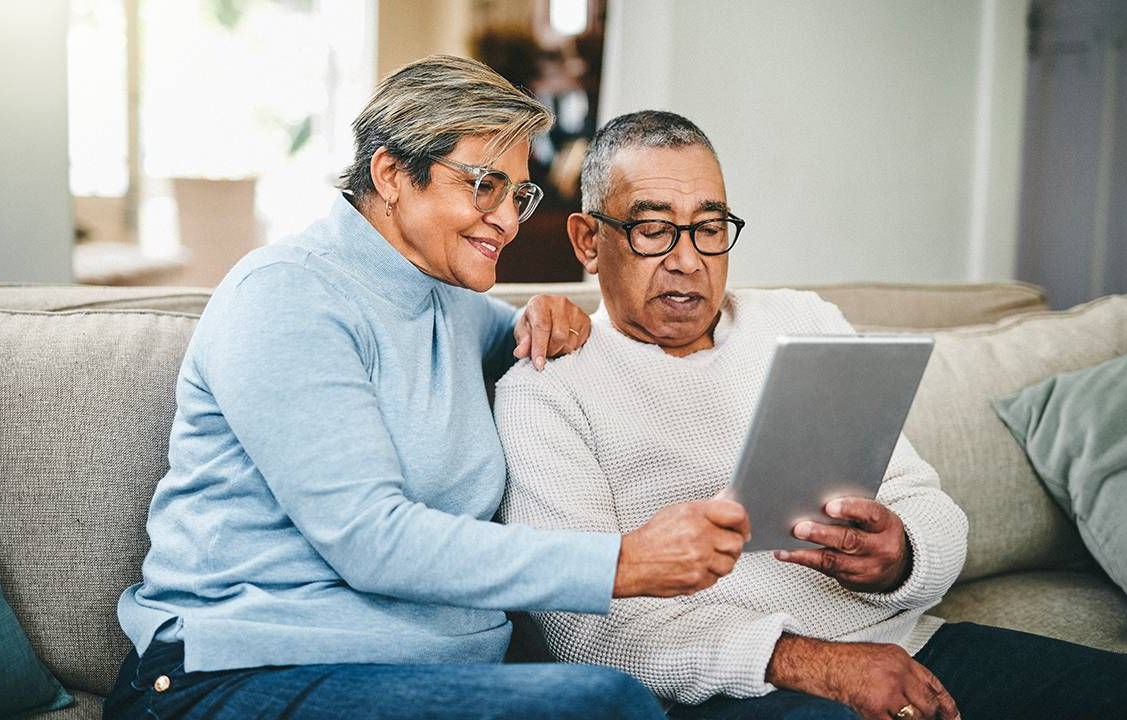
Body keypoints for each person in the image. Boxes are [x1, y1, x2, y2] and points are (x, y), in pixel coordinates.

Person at [105, 59, 753, 720]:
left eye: (518, 196)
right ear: (390, 175)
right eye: (483, 186)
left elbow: (547, 343)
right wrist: (622, 563)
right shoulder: (287, 295)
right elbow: (372, 540)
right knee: (604, 705)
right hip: (233, 676)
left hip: (428, 675)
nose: (506, 220)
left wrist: (549, 316)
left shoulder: (450, 303)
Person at [494, 109, 1127, 720]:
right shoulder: (549, 386)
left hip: (909, 646)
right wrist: (818, 664)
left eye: (710, 229)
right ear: (589, 241)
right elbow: (582, 629)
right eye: (653, 230)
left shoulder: (802, 321)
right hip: (736, 692)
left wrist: (901, 554)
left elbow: (931, 508)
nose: (688, 260)